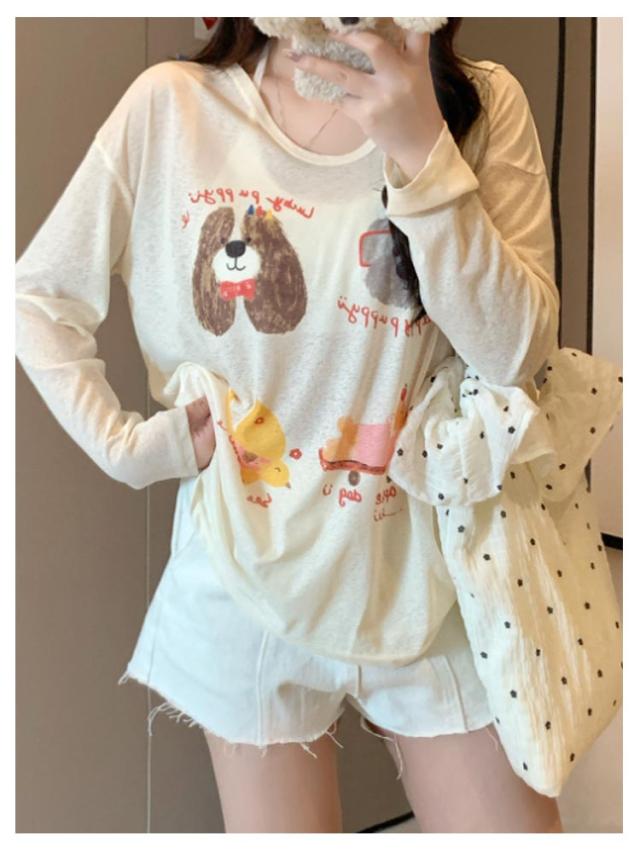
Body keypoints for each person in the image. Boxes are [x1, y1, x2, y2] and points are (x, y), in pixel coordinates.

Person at [15, 17, 571, 833]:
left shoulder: (480, 105)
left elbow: (516, 355)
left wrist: (423, 151)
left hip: (432, 571)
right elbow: (38, 299)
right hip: (244, 568)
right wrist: (128, 447)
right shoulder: (173, 109)